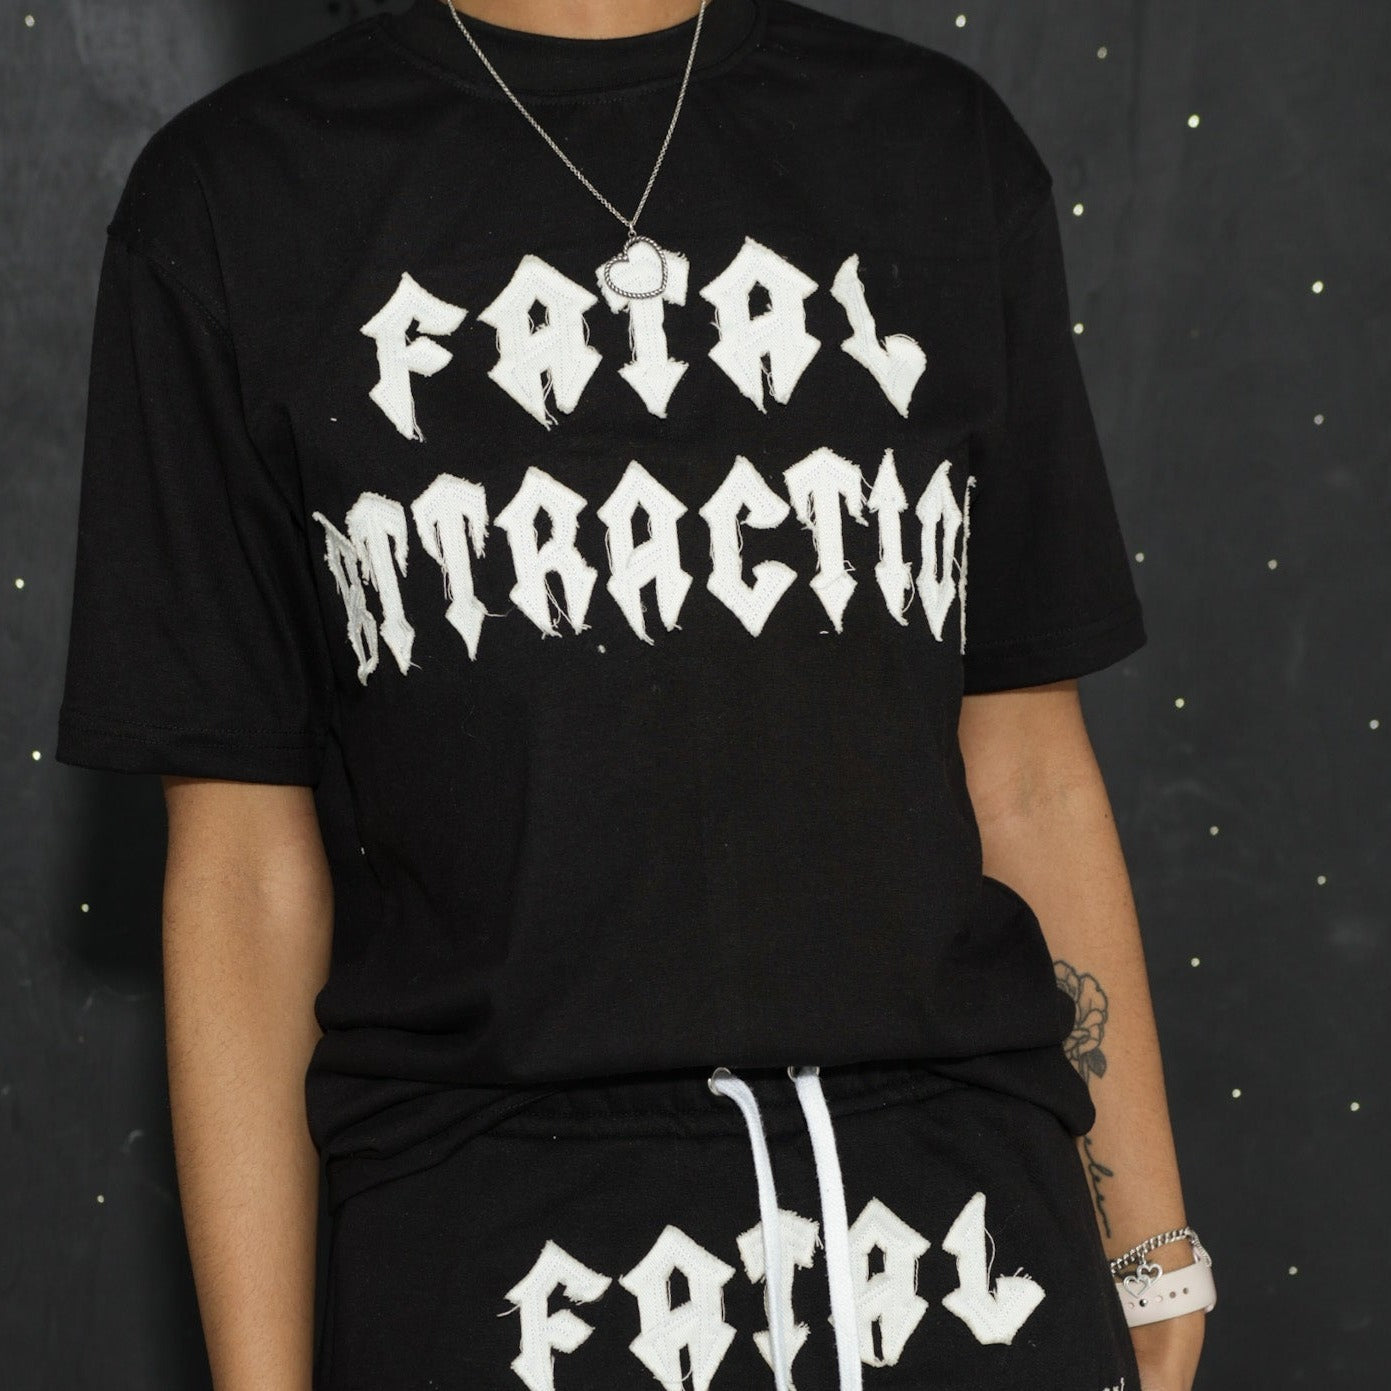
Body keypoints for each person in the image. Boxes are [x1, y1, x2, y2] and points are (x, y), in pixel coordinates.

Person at [54, 0, 1212, 1387]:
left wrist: (1151, 1250)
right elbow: (243, 867)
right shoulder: (237, 202)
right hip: (508, 1279)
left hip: (971, 1262)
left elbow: (1023, 764)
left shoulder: (935, 150)